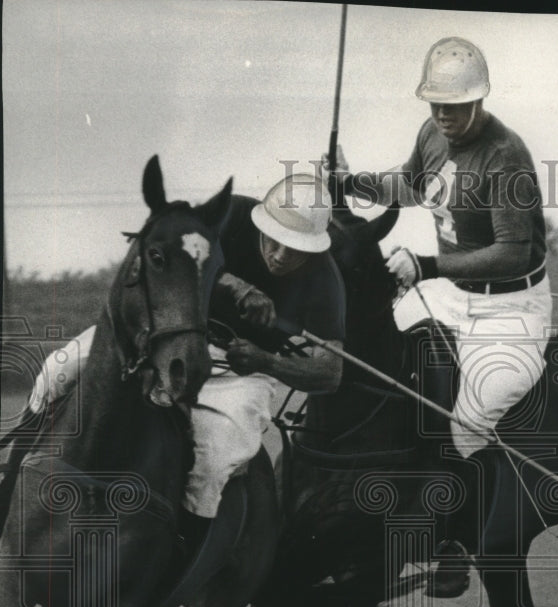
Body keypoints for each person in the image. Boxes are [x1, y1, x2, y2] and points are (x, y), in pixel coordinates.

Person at [28, 171, 347, 553]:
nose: (280, 255)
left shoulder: (327, 281)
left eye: (295, 249)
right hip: (158, 338)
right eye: (275, 241)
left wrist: (266, 360)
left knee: (215, 458)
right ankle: (13, 480)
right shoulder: (231, 215)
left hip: (240, 374)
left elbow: (330, 373)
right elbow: (171, 244)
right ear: (262, 221)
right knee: (56, 370)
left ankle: (182, 552)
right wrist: (234, 284)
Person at [332, 35, 551, 463]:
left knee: (471, 423)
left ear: (478, 100)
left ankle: (472, 520)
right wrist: (350, 182)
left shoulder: (506, 157)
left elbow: (512, 254)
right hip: (449, 293)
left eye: (452, 105)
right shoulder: (431, 132)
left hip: (509, 309)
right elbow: (411, 187)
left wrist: (427, 265)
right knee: (378, 355)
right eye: (434, 102)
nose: (441, 114)